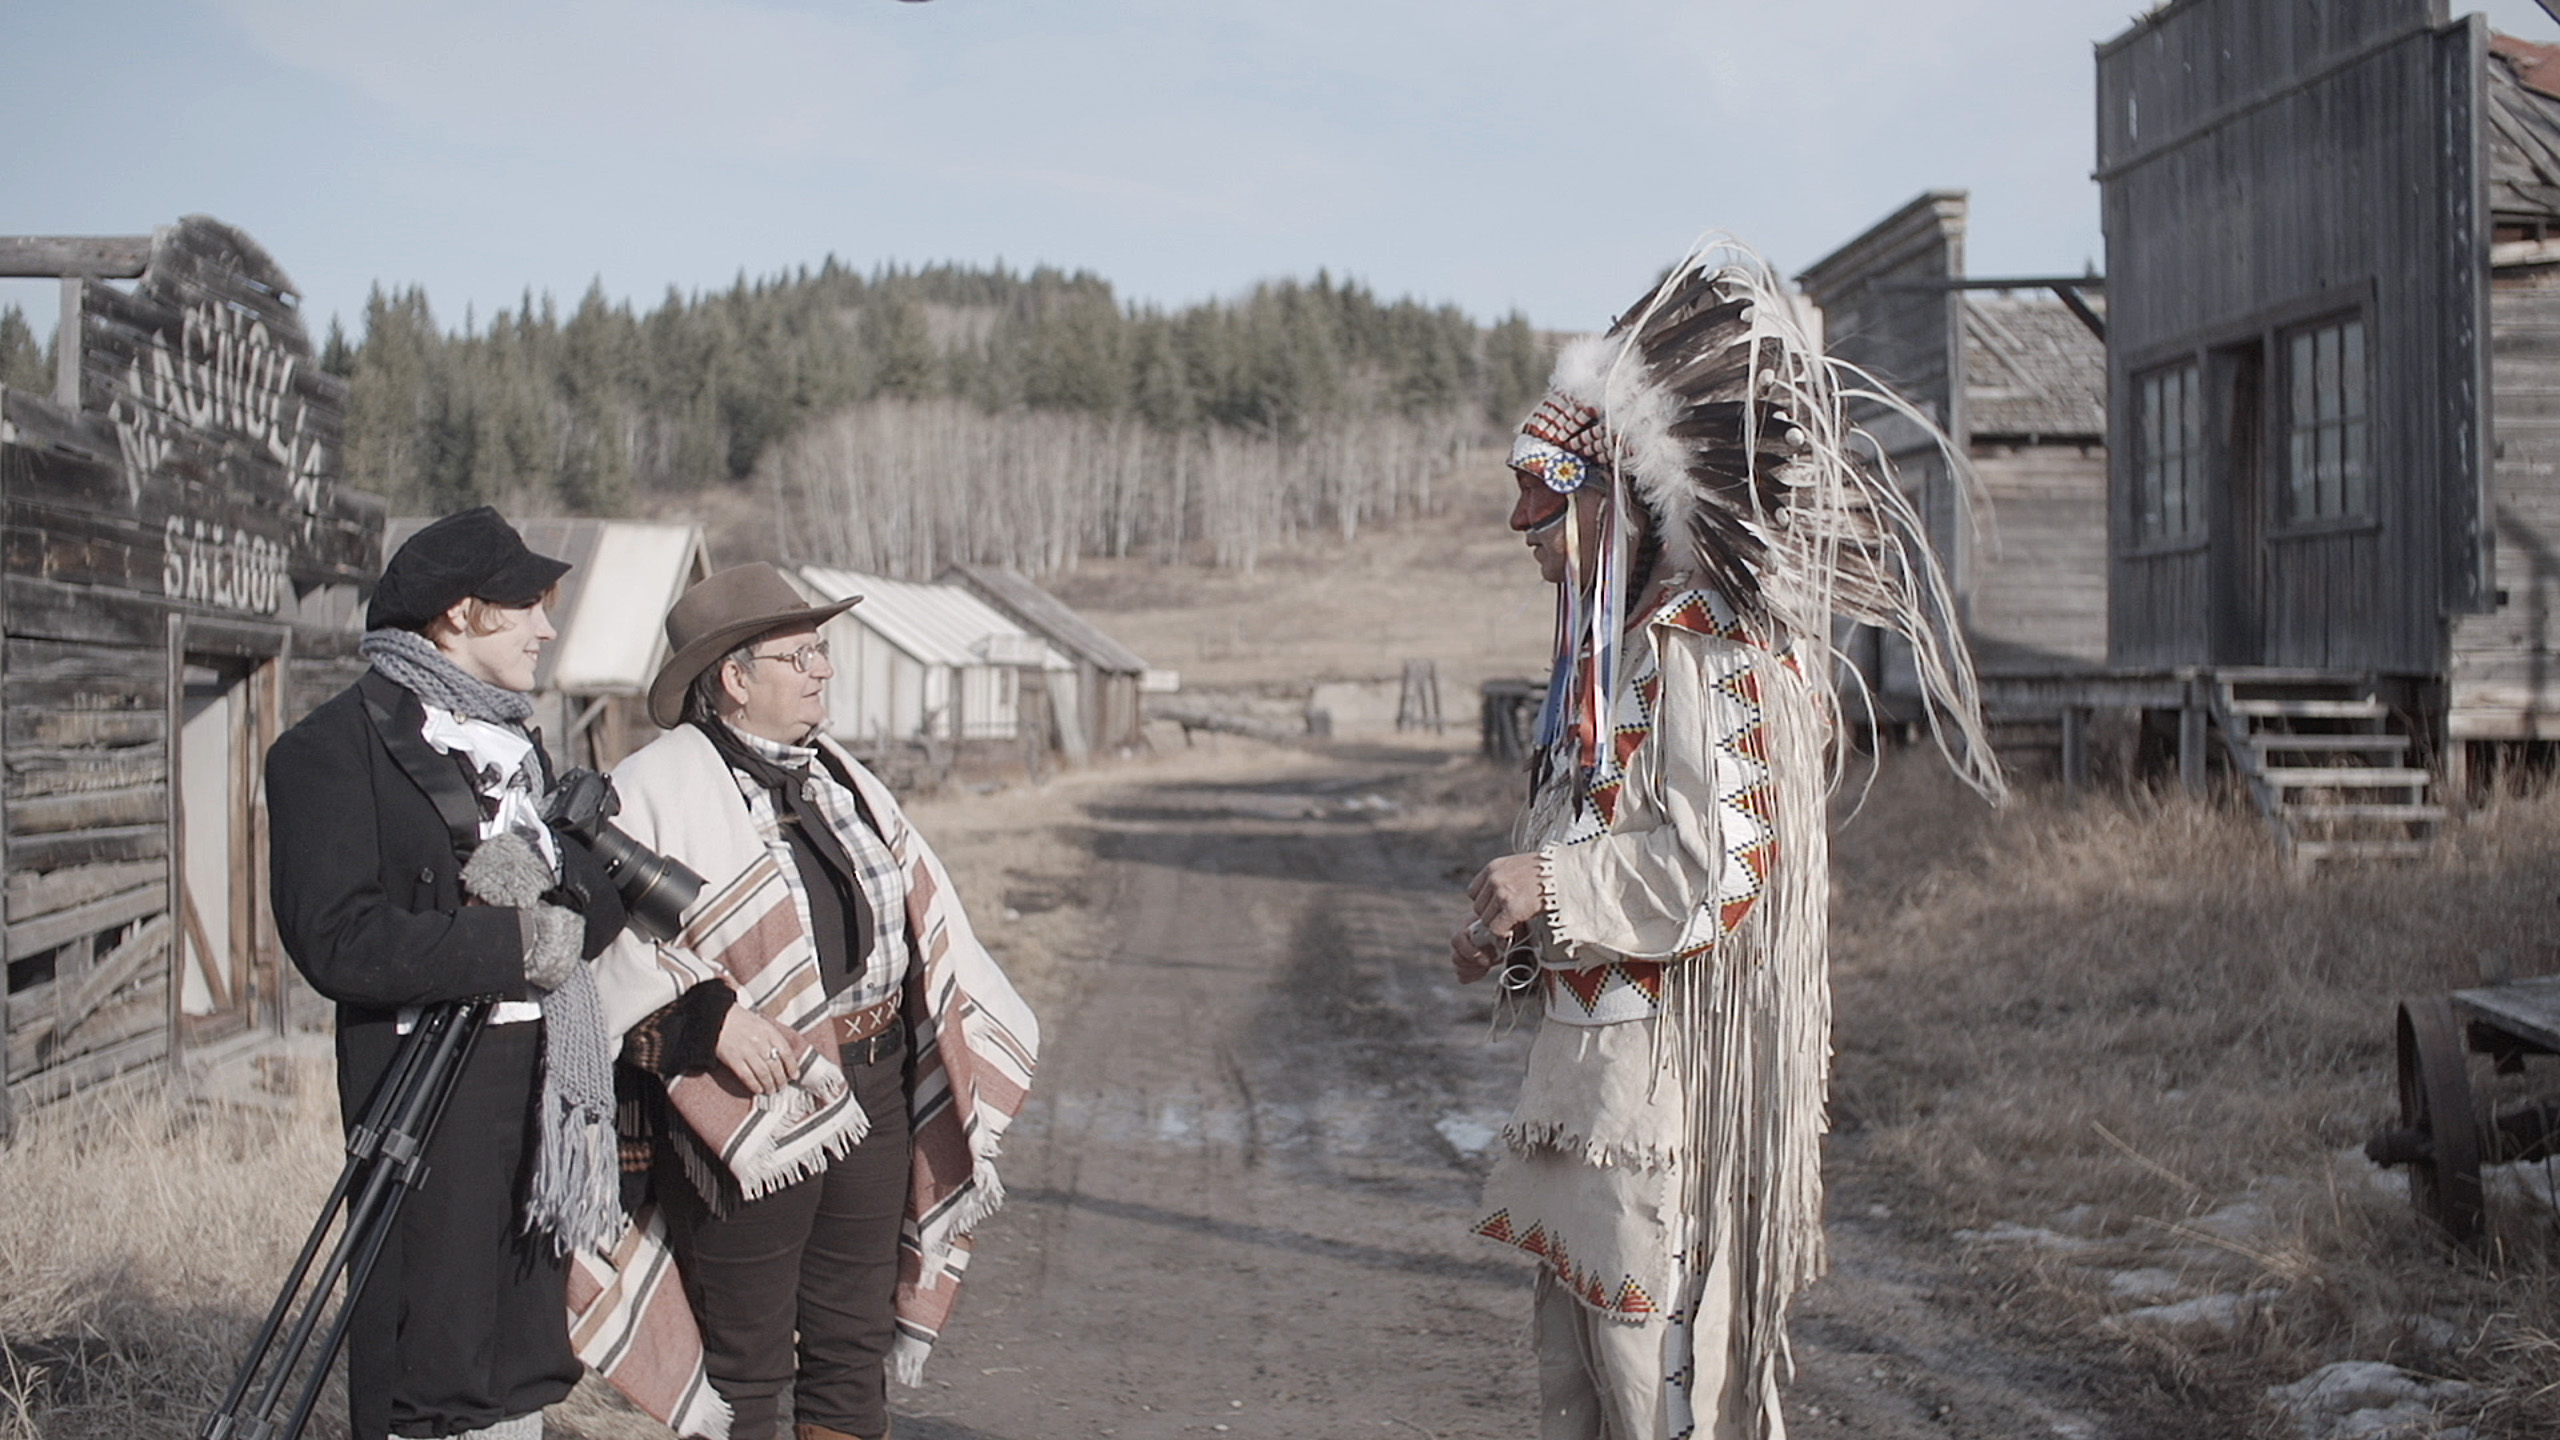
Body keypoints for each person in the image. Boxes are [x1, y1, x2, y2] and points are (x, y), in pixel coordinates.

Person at [1450, 242, 2004, 1440]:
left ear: (1607, 496)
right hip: (1590, 1086)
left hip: (1668, 1093)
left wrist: (1546, 880)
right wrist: (1514, 932)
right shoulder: (1609, 659)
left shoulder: (1708, 647)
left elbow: (1717, 864)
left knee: (1654, 1377)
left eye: (1542, 496)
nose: (1520, 524)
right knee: (1579, 1372)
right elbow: (1598, 842)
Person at [585, 563, 1038, 1440]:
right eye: (801, 655)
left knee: (850, 1341)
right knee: (746, 1355)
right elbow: (607, 958)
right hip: (749, 1099)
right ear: (735, 677)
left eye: (822, 650)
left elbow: (917, 911)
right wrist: (707, 1017)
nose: (824, 669)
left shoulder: (845, 780)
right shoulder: (653, 789)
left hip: (873, 1084)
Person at [267, 506, 631, 1440]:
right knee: (432, 1378)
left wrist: (564, 895)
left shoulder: (516, 743)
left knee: (518, 1377)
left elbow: (586, 897)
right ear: (460, 616)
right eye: (527, 607)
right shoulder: (327, 751)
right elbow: (336, 940)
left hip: (540, 1088)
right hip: (428, 1102)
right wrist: (514, 946)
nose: (546, 628)